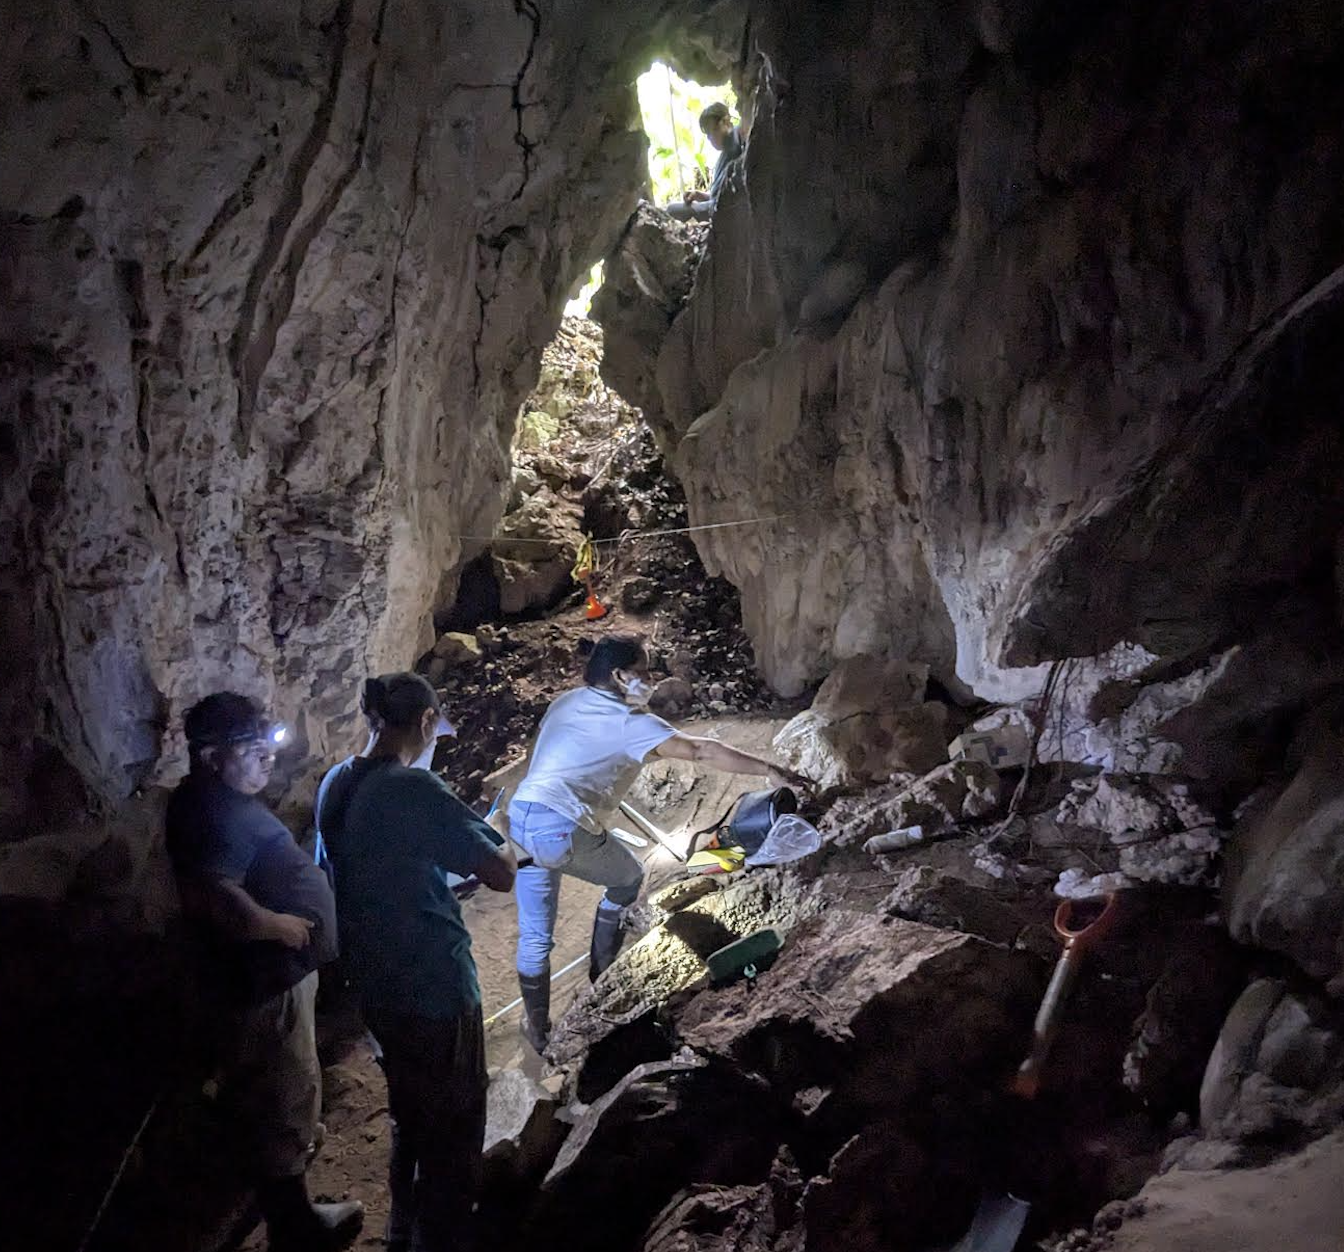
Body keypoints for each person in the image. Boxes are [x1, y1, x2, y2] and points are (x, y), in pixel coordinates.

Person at [507, 633, 809, 1054]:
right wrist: (767, 769)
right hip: (563, 827)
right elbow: (701, 752)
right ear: (618, 675)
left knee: (536, 935)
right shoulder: (632, 723)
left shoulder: (565, 703)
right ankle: (603, 971)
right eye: (644, 672)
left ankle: (537, 1027)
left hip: (521, 819)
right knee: (628, 877)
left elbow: (558, 755)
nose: (650, 680)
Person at [316, 673, 517, 1252]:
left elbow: (368, 869)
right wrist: (495, 830)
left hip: (376, 983)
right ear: (427, 722)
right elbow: (500, 873)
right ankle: (441, 1239)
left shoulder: (338, 781)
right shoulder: (413, 788)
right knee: (454, 1130)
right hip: (433, 984)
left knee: (412, 1113)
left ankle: (402, 1231)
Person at [166, 692, 363, 1252]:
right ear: (211, 756)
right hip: (267, 982)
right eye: (252, 749)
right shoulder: (210, 811)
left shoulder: (209, 800)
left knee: (276, 1089)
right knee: (284, 1091)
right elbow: (213, 893)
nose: (267, 758)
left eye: (268, 744)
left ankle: (272, 1191)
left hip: (268, 977)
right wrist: (277, 926)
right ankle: (296, 1227)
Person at [666, 101, 745, 220]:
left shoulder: (736, 138)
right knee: (670, 209)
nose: (709, 139)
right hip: (717, 206)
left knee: (670, 210)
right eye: (707, 135)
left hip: (726, 212)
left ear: (725, 122)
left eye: (711, 131)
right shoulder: (723, 156)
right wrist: (699, 195)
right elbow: (719, 196)